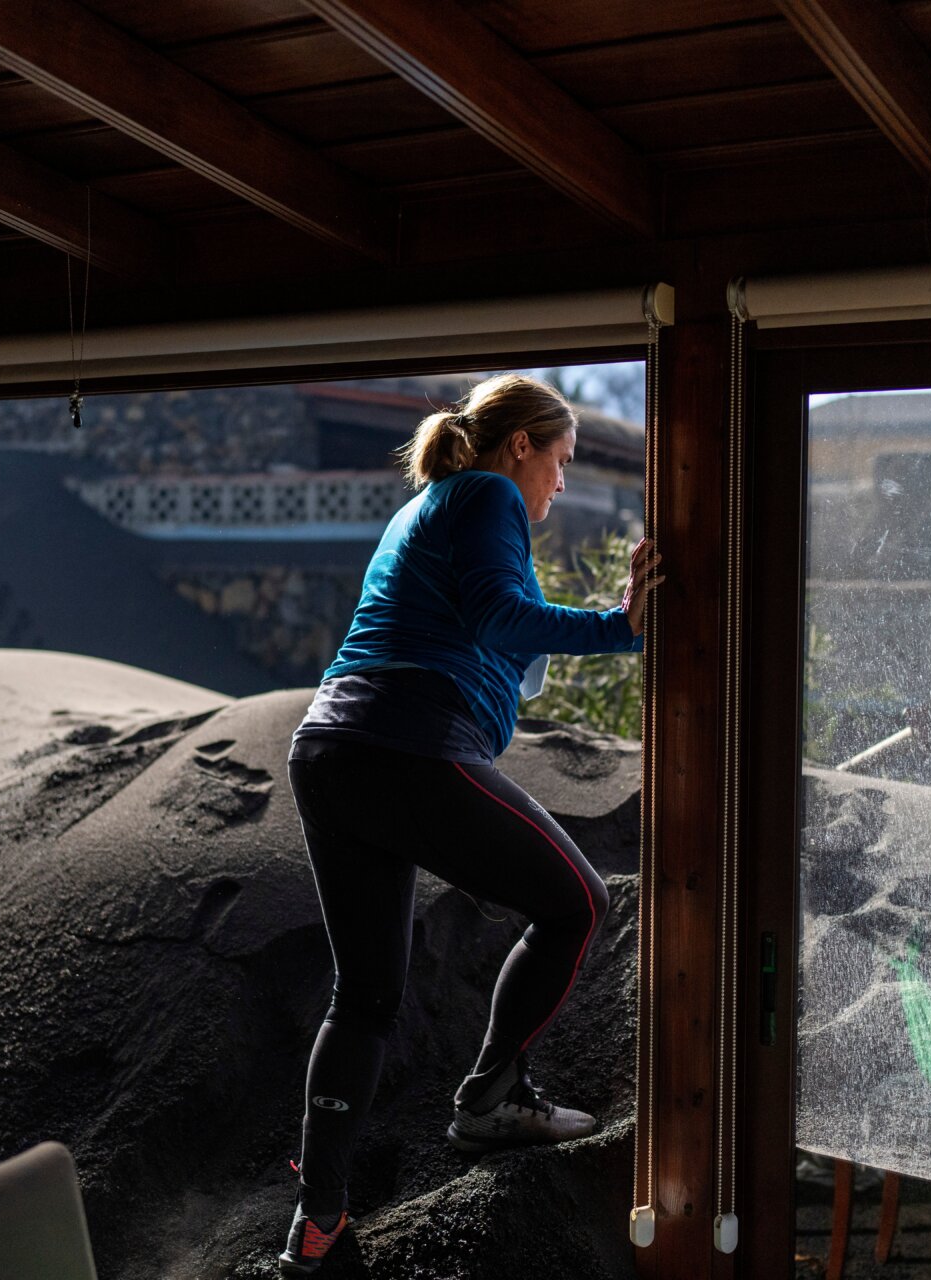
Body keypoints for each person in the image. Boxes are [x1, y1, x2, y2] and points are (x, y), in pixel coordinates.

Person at [276, 373, 664, 1275]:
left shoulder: (435, 507)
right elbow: (499, 619)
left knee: (365, 998)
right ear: (520, 446)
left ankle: (318, 1222)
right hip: (406, 741)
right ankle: (491, 1096)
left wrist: (620, 613)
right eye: (559, 461)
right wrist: (621, 625)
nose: (561, 484)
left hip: (331, 749)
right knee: (578, 903)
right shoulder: (488, 493)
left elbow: (507, 644)